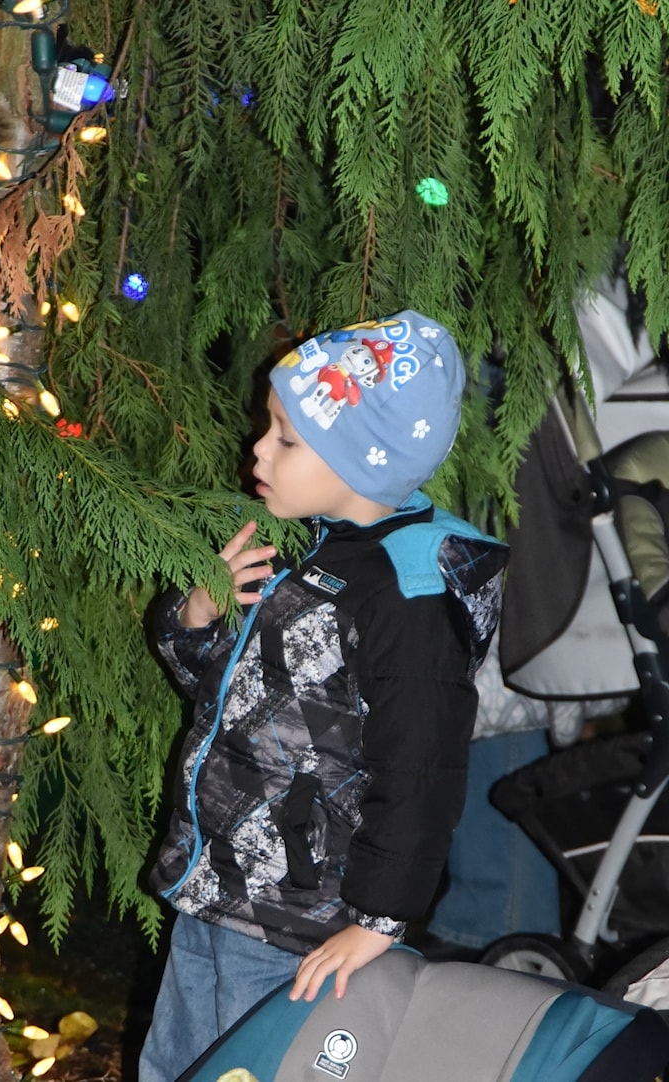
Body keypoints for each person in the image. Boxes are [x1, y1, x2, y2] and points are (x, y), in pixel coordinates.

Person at [139, 310, 508, 1082]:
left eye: (286, 439)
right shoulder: (311, 543)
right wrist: (197, 618)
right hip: (219, 884)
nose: (257, 450)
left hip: (296, 922)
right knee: (176, 1064)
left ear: (360, 462)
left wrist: (380, 920)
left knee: (249, 1067)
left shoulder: (407, 598)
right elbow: (229, 700)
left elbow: (423, 771)